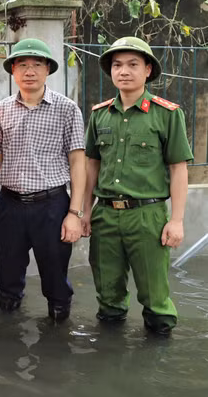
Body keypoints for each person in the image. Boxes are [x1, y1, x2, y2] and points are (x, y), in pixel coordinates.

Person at [82, 36, 192, 335]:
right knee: (108, 297)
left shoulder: (167, 114)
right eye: (117, 65)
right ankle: (110, 354)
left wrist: (177, 220)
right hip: (105, 215)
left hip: (147, 217)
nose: (124, 71)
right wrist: (85, 211)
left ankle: (157, 357)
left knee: (156, 300)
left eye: (133, 64)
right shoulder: (100, 114)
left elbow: (178, 168)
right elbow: (91, 165)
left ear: (147, 70)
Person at [0, 39, 85, 322]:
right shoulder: (1, 110)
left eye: (37, 65)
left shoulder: (67, 109)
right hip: (9, 204)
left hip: (52, 206)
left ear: (47, 70)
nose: (29, 71)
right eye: (22, 65)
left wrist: (74, 213)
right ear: (13, 71)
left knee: (56, 277)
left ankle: (58, 335)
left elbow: (78, 162)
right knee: (7, 276)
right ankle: (7, 333)